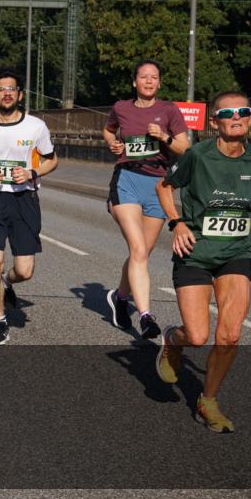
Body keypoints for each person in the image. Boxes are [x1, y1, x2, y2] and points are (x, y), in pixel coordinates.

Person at [155, 92, 251, 433]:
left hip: (236, 251)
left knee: (230, 335)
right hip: (195, 251)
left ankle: (207, 400)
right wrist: (176, 223)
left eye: (244, 111)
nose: (237, 116)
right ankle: (173, 341)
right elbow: (163, 187)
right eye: (228, 113)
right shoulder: (197, 155)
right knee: (197, 335)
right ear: (215, 122)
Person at [0, 68, 58, 345]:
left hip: (24, 200)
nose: (7, 94)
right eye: (1, 90)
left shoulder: (36, 126)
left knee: (25, 271)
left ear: (19, 94)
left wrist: (33, 173)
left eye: (12, 89)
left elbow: (52, 160)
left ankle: (7, 281)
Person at [103, 60, 190, 338]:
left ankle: (119, 296)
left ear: (159, 83)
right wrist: (112, 143)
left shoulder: (169, 110)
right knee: (138, 249)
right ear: (134, 82)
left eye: (154, 77)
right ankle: (146, 316)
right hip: (127, 178)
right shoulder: (121, 107)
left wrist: (163, 136)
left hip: (158, 185)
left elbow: (184, 147)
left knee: (142, 253)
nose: (149, 81)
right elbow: (108, 129)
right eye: (144, 77)